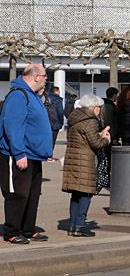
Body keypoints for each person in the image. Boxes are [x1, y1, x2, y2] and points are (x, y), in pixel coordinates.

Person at [0, 63, 54, 244]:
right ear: (36, 76)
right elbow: (13, 126)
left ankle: (27, 228)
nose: (47, 80)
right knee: (18, 194)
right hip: (19, 155)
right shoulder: (18, 95)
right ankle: (12, 231)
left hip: (34, 155)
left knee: (32, 194)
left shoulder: (33, 95)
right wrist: (19, 152)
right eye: (45, 76)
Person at [62, 94, 111, 237]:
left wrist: (99, 134)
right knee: (86, 193)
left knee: (76, 194)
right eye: (99, 108)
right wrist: (106, 139)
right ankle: (80, 225)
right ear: (94, 108)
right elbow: (95, 143)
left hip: (73, 158)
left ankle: (73, 225)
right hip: (85, 160)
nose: (100, 111)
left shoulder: (75, 117)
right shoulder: (90, 121)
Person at [46, 85, 64, 158]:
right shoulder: (58, 100)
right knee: (52, 140)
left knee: (47, 139)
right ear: (56, 91)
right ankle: (49, 154)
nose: (60, 92)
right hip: (55, 124)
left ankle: (45, 153)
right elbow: (60, 112)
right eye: (59, 91)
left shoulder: (46, 98)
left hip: (47, 123)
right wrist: (61, 122)